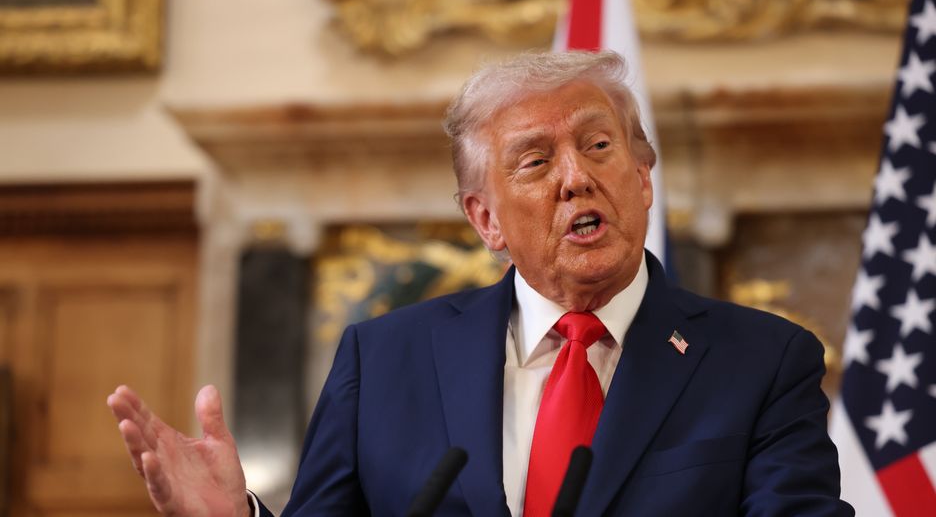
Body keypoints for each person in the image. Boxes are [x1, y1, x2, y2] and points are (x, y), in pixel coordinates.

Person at [108, 51, 853, 516]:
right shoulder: (383, 360)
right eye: (535, 161)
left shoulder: (763, 359)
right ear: (486, 219)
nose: (576, 177)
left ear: (643, 177)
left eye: (599, 146)